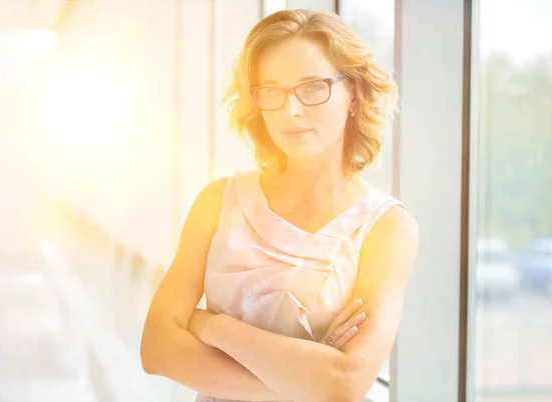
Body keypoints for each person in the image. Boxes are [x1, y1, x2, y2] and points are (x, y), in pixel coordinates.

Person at [140, 9, 418, 402]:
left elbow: (346, 381)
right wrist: (307, 380)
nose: (291, 111)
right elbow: (156, 349)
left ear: (353, 92)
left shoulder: (386, 227)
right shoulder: (218, 201)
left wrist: (216, 328)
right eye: (271, 91)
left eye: (312, 87)